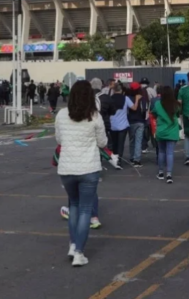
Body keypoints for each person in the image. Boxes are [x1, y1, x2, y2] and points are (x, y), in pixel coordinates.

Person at [55, 80, 108, 267]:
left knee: (74, 206)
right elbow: (102, 142)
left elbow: (59, 139)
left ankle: (72, 244)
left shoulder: (61, 114)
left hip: (67, 168)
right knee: (86, 209)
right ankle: (79, 252)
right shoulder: (94, 116)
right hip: (89, 168)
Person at [151, 86, 180, 183]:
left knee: (161, 152)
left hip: (161, 131)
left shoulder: (157, 104)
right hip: (172, 131)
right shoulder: (176, 104)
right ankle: (169, 174)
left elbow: (153, 113)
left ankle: (160, 172)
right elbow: (178, 114)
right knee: (170, 153)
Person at [109, 82, 138, 162]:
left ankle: (114, 159)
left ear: (113, 90)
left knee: (114, 144)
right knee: (121, 144)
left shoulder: (110, 98)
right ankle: (119, 160)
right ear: (121, 90)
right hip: (123, 125)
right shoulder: (125, 98)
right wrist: (137, 99)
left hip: (112, 125)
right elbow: (134, 108)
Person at [127, 82, 148, 167]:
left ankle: (132, 158)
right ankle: (137, 160)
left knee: (132, 140)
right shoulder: (142, 98)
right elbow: (145, 110)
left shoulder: (128, 98)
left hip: (130, 121)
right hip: (140, 121)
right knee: (138, 140)